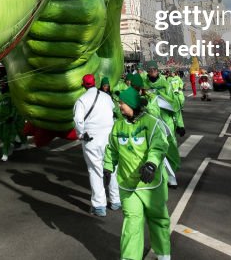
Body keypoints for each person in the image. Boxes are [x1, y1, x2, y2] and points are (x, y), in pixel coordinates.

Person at [103, 87, 170, 260]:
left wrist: (152, 164)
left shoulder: (151, 122)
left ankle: (163, 255)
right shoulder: (118, 126)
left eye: (122, 103)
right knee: (132, 223)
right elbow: (111, 149)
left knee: (158, 220)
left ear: (132, 104)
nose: (119, 106)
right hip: (128, 185)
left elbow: (159, 145)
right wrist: (108, 167)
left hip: (151, 184)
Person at [73, 74, 120, 217]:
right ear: (95, 83)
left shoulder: (81, 100)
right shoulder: (106, 97)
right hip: (109, 137)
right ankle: (116, 200)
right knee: (112, 167)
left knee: (95, 170)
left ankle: (99, 206)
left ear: (83, 85)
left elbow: (77, 120)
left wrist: (81, 134)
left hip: (91, 139)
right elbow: (114, 112)